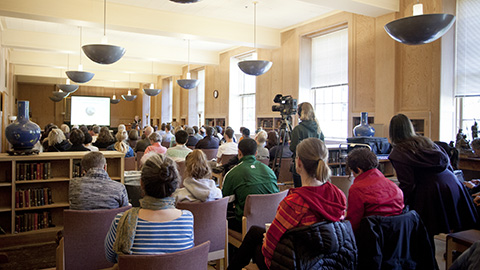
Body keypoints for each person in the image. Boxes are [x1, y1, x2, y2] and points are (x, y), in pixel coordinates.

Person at [228, 138, 349, 270]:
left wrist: (266, 240)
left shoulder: (294, 203)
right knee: (255, 232)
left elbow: (269, 250)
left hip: (297, 263)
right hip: (327, 260)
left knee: (255, 242)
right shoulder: (338, 194)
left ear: (299, 163)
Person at [388, 113, 478, 239]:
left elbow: (408, 184)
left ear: (392, 132)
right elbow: (447, 163)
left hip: (431, 190)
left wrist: (399, 204)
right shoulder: (427, 142)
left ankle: (427, 257)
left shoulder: (398, 152)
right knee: (456, 223)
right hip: (452, 184)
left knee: (422, 231)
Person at [104, 154, 194, 262]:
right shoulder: (187, 219)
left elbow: (110, 258)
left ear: (141, 184)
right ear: (176, 185)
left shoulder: (121, 221)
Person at [222, 138, 279, 232]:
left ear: (239, 153)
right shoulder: (269, 171)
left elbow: (225, 203)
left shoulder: (232, 173)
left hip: (247, 225)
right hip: (272, 221)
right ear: (256, 153)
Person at [345, 147, 404, 232]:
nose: (353, 175)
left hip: (371, 238)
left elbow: (353, 224)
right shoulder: (393, 186)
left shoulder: (357, 189)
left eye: (352, 172)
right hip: (397, 236)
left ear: (359, 170)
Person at [290, 102, 324, 187]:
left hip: (302, 165)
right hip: (316, 165)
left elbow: (293, 147)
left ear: (300, 113)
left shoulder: (298, 129)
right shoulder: (318, 129)